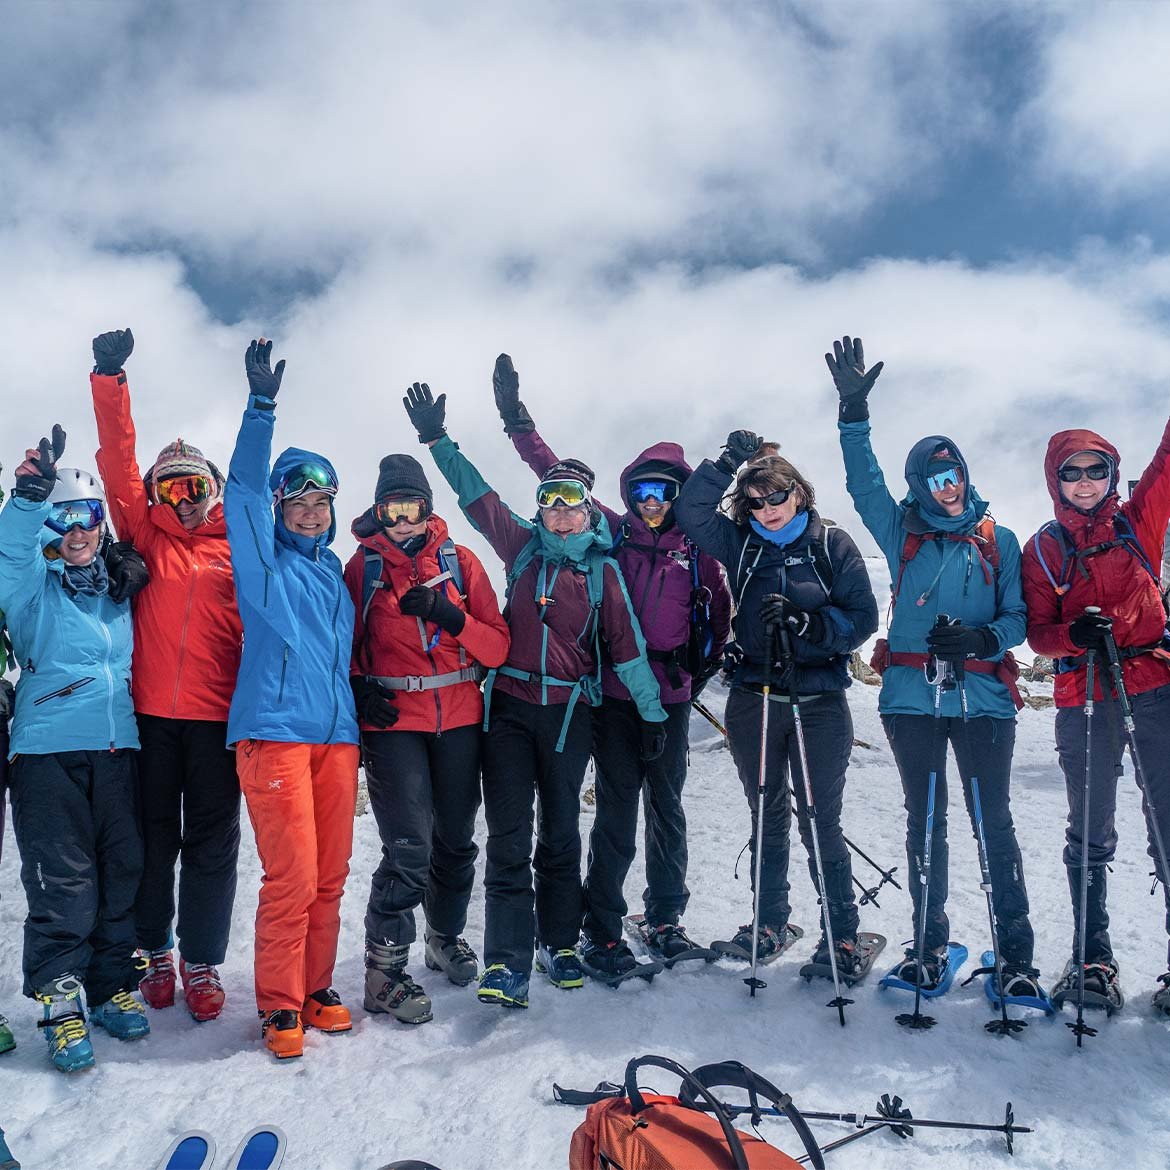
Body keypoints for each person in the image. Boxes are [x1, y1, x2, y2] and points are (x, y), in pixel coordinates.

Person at [403, 381, 667, 1008]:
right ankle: (506, 961)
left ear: (589, 512)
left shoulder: (601, 572)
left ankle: (560, 942)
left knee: (561, 834)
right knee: (511, 835)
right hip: (512, 714)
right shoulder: (521, 547)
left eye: (571, 503)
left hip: (571, 713)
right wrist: (438, 440)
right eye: (550, 502)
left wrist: (652, 715)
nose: (559, 513)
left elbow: (626, 650)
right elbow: (477, 497)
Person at [491, 353, 731, 975]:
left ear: (679, 499)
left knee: (668, 807)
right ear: (628, 496)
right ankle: (601, 926)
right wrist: (518, 422)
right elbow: (554, 474)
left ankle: (665, 915)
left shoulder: (699, 555)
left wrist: (688, 676)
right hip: (608, 696)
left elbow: (720, 622)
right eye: (642, 492)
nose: (652, 503)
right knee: (618, 813)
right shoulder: (613, 534)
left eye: (664, 494)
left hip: (668, 698)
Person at [830, 335, 1039, 997]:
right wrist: (853, 418)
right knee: (925, 823)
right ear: (920, 485)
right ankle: (927, 947)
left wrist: (983, 640)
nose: (950, 489)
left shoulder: (997, 540)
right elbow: (863, 487)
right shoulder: (903, 533)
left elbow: (1020, 622)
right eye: (936, 480)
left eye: (956, 476)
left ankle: (1017, 957)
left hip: (984, 703)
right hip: (910, 702)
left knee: (993, 823)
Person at [676, 429, 878, 979]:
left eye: (776, 497)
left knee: (819, 819)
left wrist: (811, 624)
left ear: (799, 494)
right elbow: (692, 511)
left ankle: (842, 937)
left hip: (819, 701)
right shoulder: (742, 543)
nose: (766, 509)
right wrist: (726, 462)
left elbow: (863, 619)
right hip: (755, 699)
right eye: (755, 502)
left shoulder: (831, 545)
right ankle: (770, 921)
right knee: (766, 811)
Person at [90, 327, 244, 1023]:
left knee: (212, 843)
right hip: (150, 714)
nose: (185, 497)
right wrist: (110, 380)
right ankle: (152, 949)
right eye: (171, 486)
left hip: (215, 720)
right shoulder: (144, 533)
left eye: (198, 485)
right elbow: (119, 464)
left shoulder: (236, 548)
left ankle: (201, 958)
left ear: (214, 490)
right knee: (155, 838)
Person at [224, 340, 360, 1060]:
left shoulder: (335, 574)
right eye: (299, 500)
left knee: (332, 876)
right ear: (281, 507)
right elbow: (241, 494)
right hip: (274, 733)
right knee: (294, 875)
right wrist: (260, 410)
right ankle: (279, 1003)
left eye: (321, 501)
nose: (311, 512)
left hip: (336, 739)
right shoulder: (263, 564)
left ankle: (316, 987)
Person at [0, 426, 151, 1072]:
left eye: (88, 516)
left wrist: (131, 567)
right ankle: (61, 1001)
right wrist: (27, 498)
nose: (79, 531)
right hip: (47, 753)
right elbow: (10, 554)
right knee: (65, 882)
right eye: (64, 519)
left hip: (118, 750)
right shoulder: (34, 586)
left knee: (122, 872)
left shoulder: (115, 589)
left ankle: (111, 984)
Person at [345, 453, 510, 1024]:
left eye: (412, 506)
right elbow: (342, 644)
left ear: (428, 508)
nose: (403, 520)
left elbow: (498, 648)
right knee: (409, 847)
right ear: (377, 510)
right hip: (394, 727)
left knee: (457, 840)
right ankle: (384, 971)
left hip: (460, 718)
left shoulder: (461, 563)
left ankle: (443, 937)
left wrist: (451, 615)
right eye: (392, 508)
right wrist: (357, 690)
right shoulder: (361, 569)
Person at [1021, 420, 1170, 1014]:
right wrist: (1074, 636)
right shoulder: (1044, 550)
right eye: (1071, 472)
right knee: (1090, 826)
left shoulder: (1140, 521)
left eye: (1095, 469)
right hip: (1086, 695)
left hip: (1154, 687)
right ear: (1055, 481)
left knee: (1168, 823)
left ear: (1111, 472)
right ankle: (1091, 956)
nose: (1085, 481)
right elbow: (1037, 634)